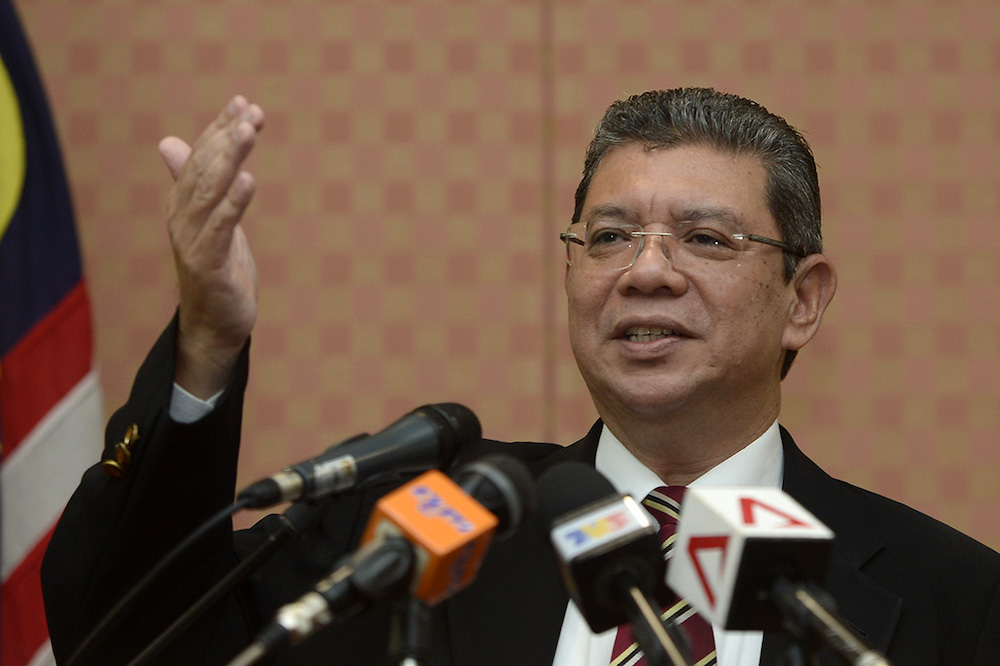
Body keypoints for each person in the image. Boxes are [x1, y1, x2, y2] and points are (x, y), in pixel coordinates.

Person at [41, 88, 1000, 666]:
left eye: (705, 239)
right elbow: (133, 638)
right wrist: (206, 345)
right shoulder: (427, 528)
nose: (646, 270)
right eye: (610, 237)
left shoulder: (953, 600)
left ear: (804, 298)